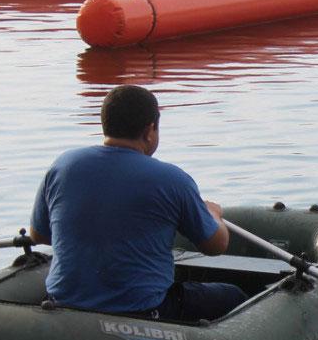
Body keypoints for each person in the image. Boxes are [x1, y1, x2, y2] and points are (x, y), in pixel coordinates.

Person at [28, 85, 246, 321]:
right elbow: (216, 246)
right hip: (144, 310)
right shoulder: (171, 180)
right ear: (150, 130)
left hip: (63, 304)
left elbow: (39, 235)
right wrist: (212, 214)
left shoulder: (64, 165)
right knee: (234, 296)